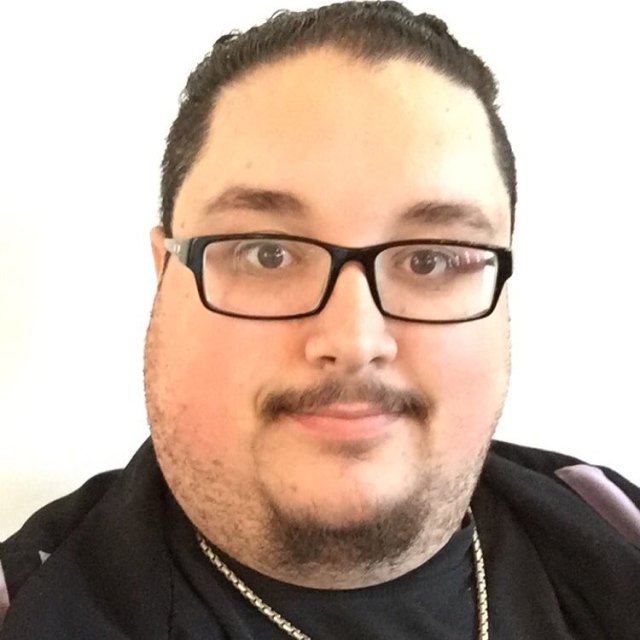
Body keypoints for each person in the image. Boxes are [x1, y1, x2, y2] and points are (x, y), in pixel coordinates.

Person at [1, 1, 639, 638]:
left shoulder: (613, 523)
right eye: (267, 254)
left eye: (431, 259)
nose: (354, 339)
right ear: (165, 273)